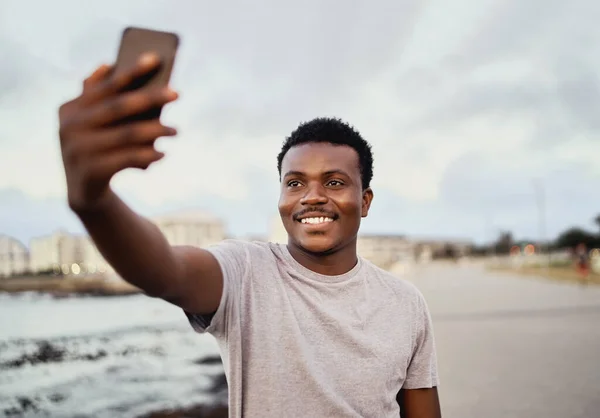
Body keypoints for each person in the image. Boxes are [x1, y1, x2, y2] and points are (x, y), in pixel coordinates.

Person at [58, 53, 442, 418]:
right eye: (294, 183)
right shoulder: (245, 273)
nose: (312, 197)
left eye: (335, 181)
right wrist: (94, 202)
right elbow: (164, 270)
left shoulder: (405, 303)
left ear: (365, 200)